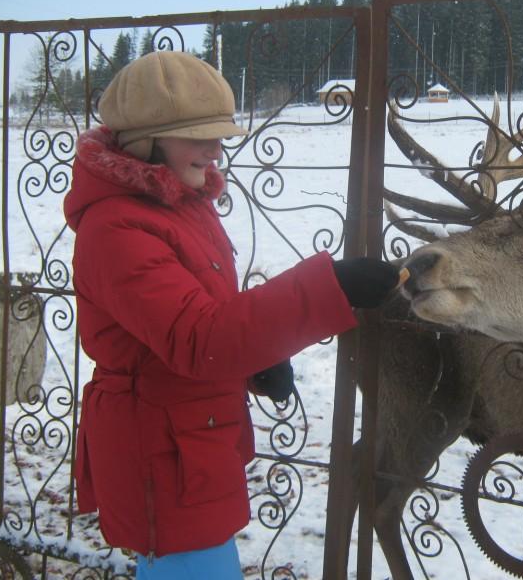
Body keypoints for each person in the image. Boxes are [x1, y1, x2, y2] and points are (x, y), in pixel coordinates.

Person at [63, 50, 399, 579]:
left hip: (189, 444)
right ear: (144, 141)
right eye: (198, 134)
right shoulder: (117, 229)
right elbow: (198, 337)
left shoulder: (178, 205)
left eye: (219, 133)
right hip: (160, 453)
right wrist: (329, 286)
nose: (216, 150)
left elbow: (193, 315)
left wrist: (251, 362)